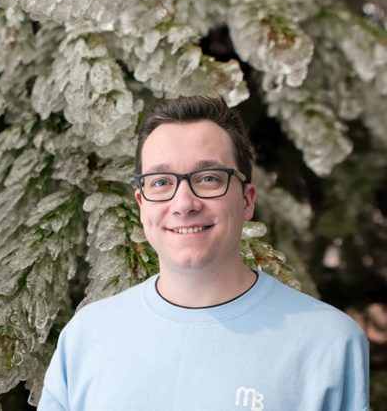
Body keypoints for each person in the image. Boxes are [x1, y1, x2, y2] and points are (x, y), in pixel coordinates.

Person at [37, 95, 369, 410]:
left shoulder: (328, 343)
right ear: (141, 203)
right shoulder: (87, 338)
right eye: (161, 182)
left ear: (247, 199)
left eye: (209, 178)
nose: (183, 204)